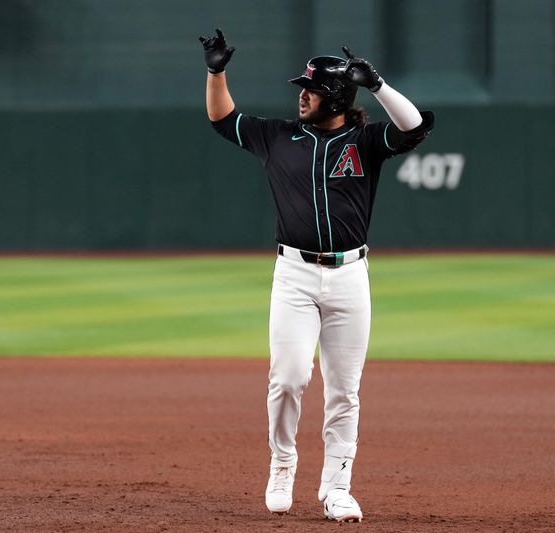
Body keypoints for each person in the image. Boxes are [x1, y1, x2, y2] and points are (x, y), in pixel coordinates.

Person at [199, 28, 434, 523]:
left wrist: (379, 85)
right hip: (294, 275)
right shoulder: (277, 137)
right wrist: (216, 72)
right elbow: (223, 119)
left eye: (312, 88)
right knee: (288, 378)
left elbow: (413, 129)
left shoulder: (365, 142)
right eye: (302, 87)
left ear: (339, 98)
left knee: (344, 390)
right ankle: (283, 464)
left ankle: (337, 487)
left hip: (350, 277)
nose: (302, 94)